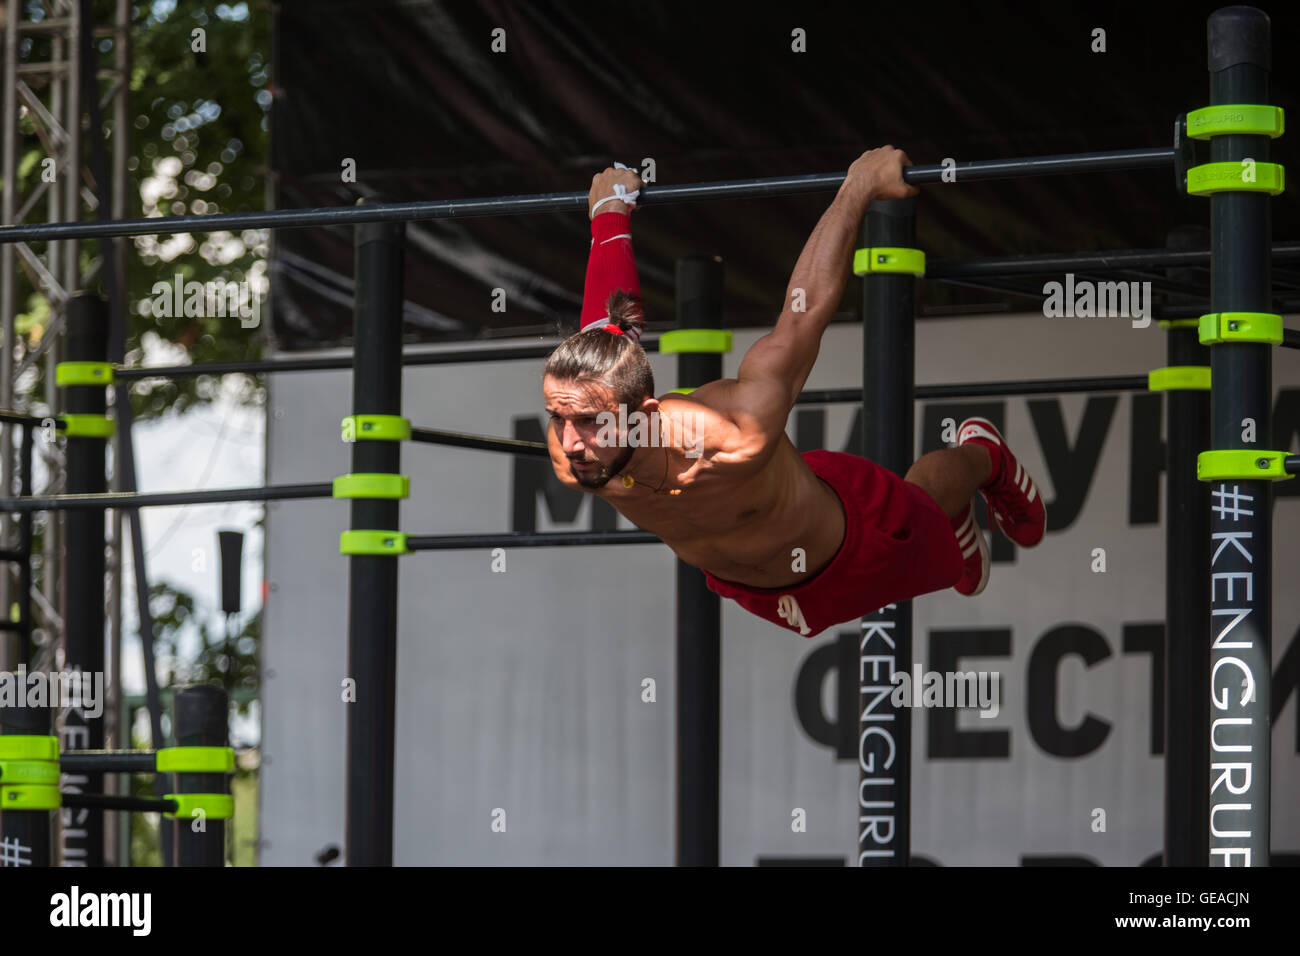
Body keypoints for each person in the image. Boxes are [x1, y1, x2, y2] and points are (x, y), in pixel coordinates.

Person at [541, 147, 1046, 638]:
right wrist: (610, 214)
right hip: (761, 593)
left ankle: (985, 458)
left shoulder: (738, 432)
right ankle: (953, 520)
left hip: (853, 544)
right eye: (559, 419)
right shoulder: (580, 454)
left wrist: (859, 186)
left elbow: (802, 317)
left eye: (587, 423)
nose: (568, 443)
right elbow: (607, 336)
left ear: (646, 414)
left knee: (926, 500)